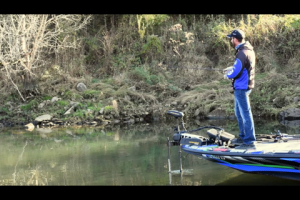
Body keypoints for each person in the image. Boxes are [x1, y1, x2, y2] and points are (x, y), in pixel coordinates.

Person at [224, 29, 256, 149]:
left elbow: (236, 71)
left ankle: (249, 140)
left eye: (231, 39)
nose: (231, 41)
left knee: (245, 114)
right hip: (244, 86)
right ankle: (243, 136)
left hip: (242, 88)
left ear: (235, 39)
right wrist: (231, 69)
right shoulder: (248, 50)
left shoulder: (241, 53)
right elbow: (242, 67)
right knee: (239, 113)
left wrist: (227, 74)